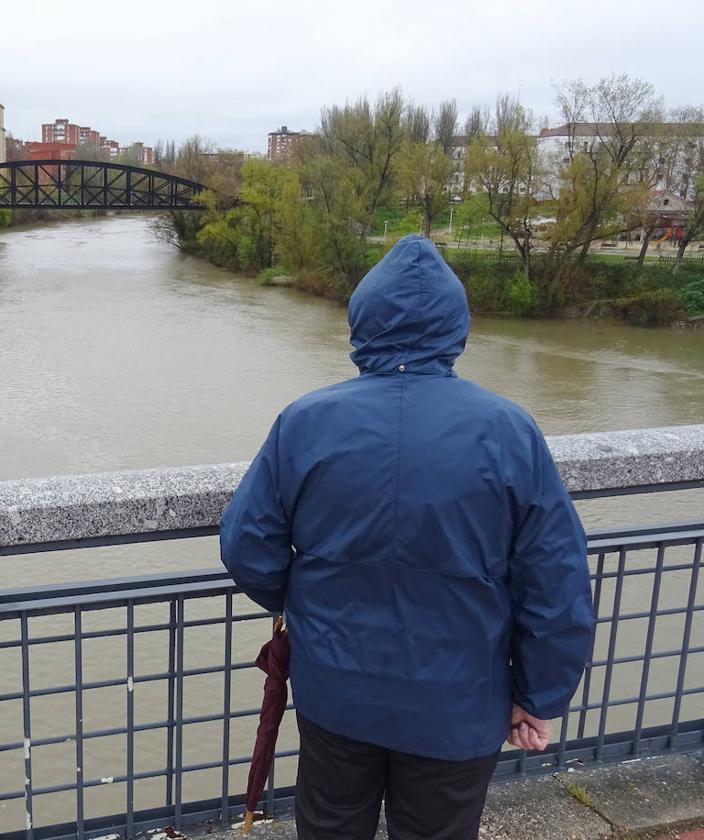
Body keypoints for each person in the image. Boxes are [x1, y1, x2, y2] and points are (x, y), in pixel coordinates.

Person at [219, 235, 594, 840]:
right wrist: (539, 694)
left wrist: (305, 602)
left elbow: (246, 545)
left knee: (331, 827)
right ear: (456, 326)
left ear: (361, 322)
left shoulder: (307, 421)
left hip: (336, 689)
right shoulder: (509, 431)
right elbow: (555, 580)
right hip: (459, 702)